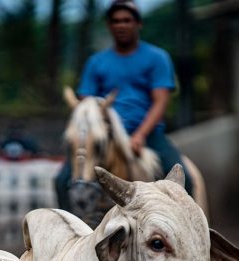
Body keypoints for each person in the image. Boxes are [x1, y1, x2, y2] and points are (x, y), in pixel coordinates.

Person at [56, 0, 192, 209]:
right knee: (62, 181)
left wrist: (139, 135)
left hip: (148, 136)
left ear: (138, 24)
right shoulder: (96, 62)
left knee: (185, 180)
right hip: (105, 137)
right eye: (116, 21)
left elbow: (160, 101)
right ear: (109, 26)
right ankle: (69, 234)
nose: (121, 25)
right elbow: (86, 104)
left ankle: (187, 229)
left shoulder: (157, 58)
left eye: (127, 20)